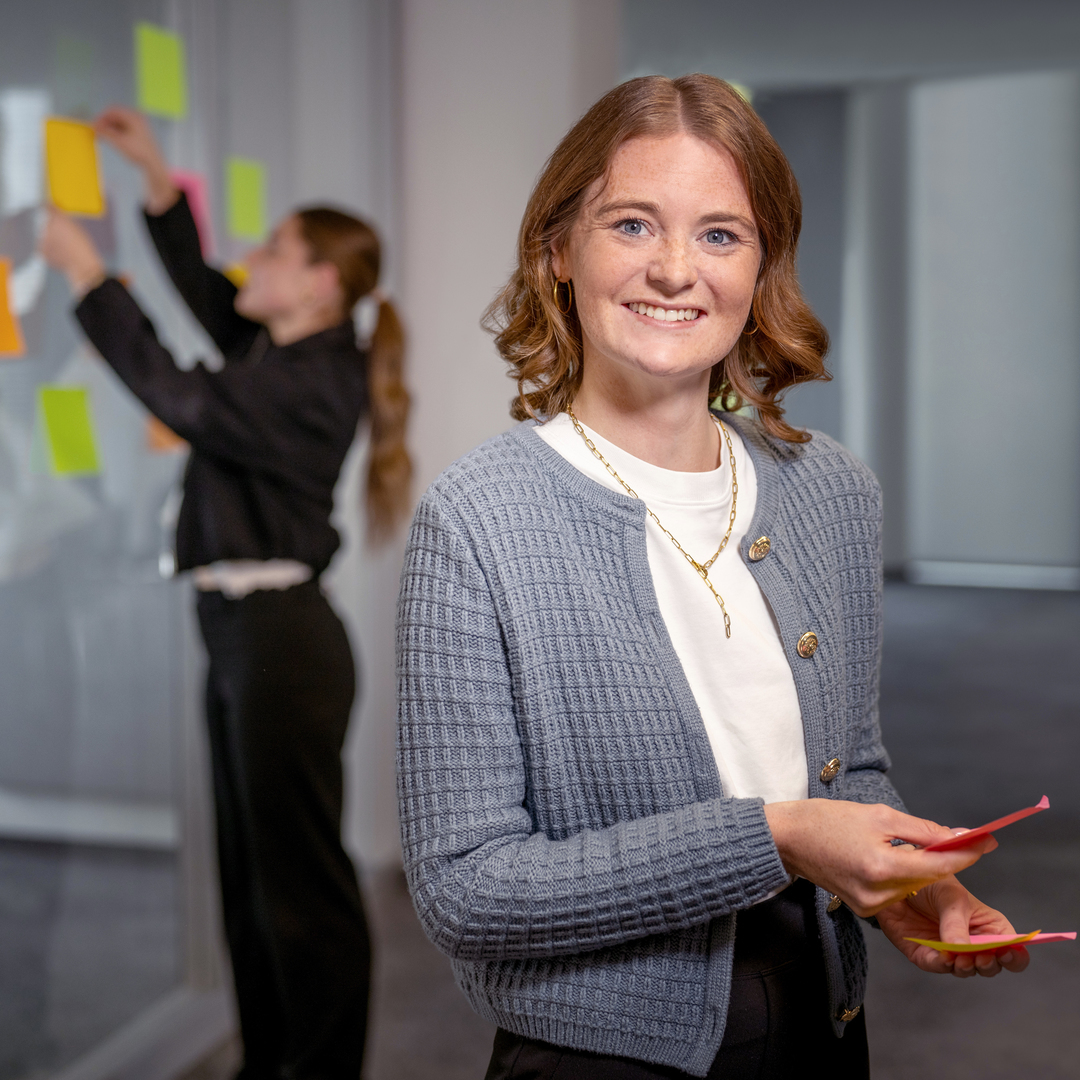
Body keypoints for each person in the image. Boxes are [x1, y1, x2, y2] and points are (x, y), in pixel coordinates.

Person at [395, 75, 1027, 1080]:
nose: (677, 270)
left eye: (722, 235)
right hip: (600, 1057)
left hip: (822, 1024)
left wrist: (906, 880)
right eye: (633, 223)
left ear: (762, 265)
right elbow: (468, 892)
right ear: (559, 250)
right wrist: (778, 839)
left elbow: (849, 770)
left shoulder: (831, 492)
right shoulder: (479, 519)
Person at [41, 106, 410, 1080]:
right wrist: (156, 177)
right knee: (251, 881)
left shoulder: (315, 381)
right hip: (244, 631)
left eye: (276, 251)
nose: (255, 259)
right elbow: (210, 295)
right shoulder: (281, 350)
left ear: (322, 282)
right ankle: (269, 1064)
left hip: (284, 644)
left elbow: (179, 395)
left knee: (302, 891)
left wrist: (88, 275)